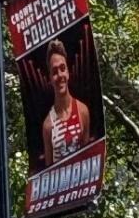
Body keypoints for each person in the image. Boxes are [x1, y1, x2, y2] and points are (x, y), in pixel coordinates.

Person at [31, 37, 93, 165]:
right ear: (50, 79)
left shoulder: (82, 111)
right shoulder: (48, 126)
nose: (60, 75)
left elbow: (88, 159)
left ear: (68, 72)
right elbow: (49, 172)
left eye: (63, 68)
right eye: (54, 72)